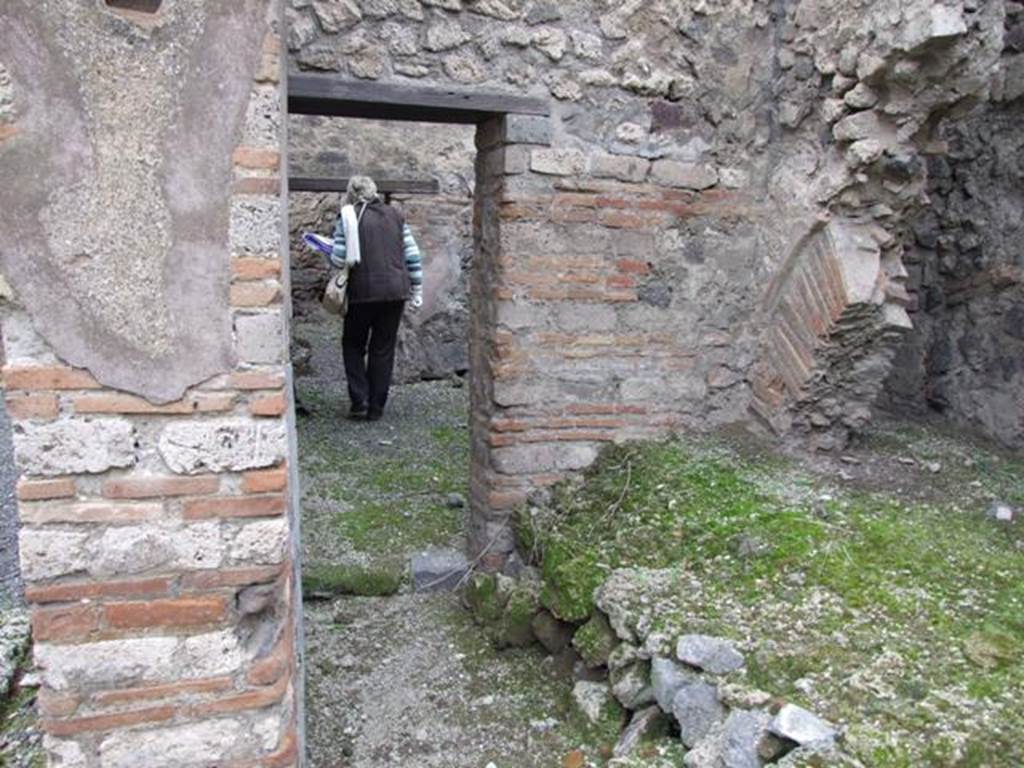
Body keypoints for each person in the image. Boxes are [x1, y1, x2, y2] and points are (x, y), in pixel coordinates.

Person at [327, 176, 423, 421]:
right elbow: (412, 256)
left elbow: (339, 258)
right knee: (383, 348)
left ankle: (360, 400)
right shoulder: (395, 215)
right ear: (374, 192)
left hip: (362, 290)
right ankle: (377, 407)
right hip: (395, 292)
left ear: (352, 193)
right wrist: (417, 288)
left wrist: (327, 249)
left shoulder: (347, 216)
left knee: (353, 344)